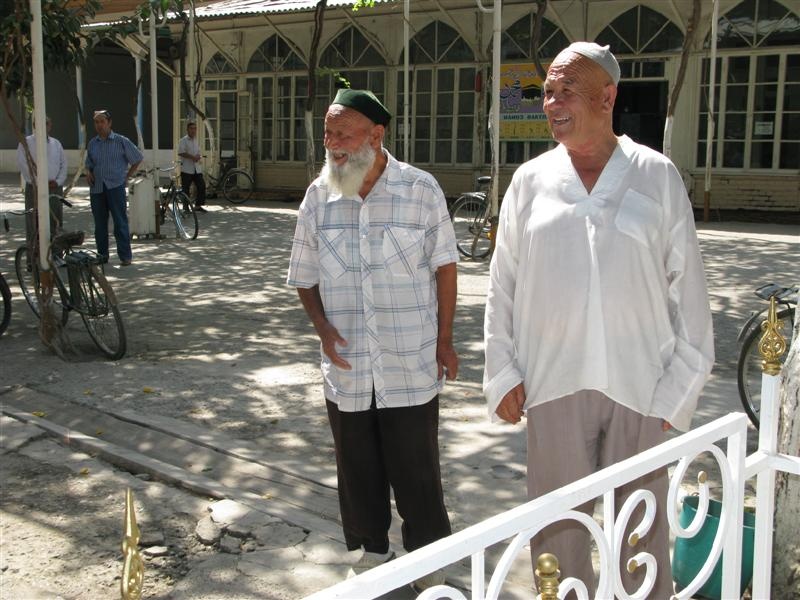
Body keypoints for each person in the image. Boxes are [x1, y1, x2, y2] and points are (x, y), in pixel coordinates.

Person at [483, 42, 714, 597]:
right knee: (558, 533)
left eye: (568, 91)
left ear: (607, 97)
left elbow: (689, 289)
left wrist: (677, 392)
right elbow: (502, 281)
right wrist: (503, 372)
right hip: (552, 382)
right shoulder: (530, 180)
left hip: (642, 385)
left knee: (640, 534)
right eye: (548, 92)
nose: (553, 103)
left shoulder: (656, 175)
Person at [287, 89, 459, 593]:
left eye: (343, 133)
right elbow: (303, 275)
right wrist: (322, 328)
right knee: (357, 467)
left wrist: (445, 341)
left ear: (376, 135)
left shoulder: (420, 190)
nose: (332, 143)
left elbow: (445, 269)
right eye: (327, 133)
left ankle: (429, 561)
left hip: (409, 360)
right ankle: (370, 554)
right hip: (348, 364)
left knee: (417, 469)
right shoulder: (319, 195)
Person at [85, 110, 143, 266]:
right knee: (100, 224)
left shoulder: (121, 141)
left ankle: (125, 256)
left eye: (102, 122)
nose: (99, 125)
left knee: (120, 222)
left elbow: (137, 158)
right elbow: (89, 163)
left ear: (109, 123)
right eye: (96, 122)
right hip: (97, 188)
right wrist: (88, 172)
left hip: (115, 187)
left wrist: (127, 176)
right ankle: (102, 255)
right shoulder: (93, 143)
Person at [16, 116, 68, 253]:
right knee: (33, 224)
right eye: (40, 123)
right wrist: (40, 183)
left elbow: (64, 165)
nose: (44, 126)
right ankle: (33, 258)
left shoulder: (56, 144)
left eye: (46, 123)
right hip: (34, 189)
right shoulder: (26, 143)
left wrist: (58, 181)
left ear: (50, 126)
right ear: (34, 125)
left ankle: (56, 256)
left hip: (55, 188)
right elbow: (23, 165)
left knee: (55, 222)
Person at [177, 121, 207, 212]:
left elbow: (198, 152)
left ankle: (198, 206)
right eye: (191, 128)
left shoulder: (196, 141)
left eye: (195, 128)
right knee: (186, 189)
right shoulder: (183, 140)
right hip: (187, 169)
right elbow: (181, 152)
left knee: (201, 186)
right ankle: (186, 208)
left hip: (196, 169)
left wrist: (198, 156)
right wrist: (192, 157)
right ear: (187, 130)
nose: (193, 130)